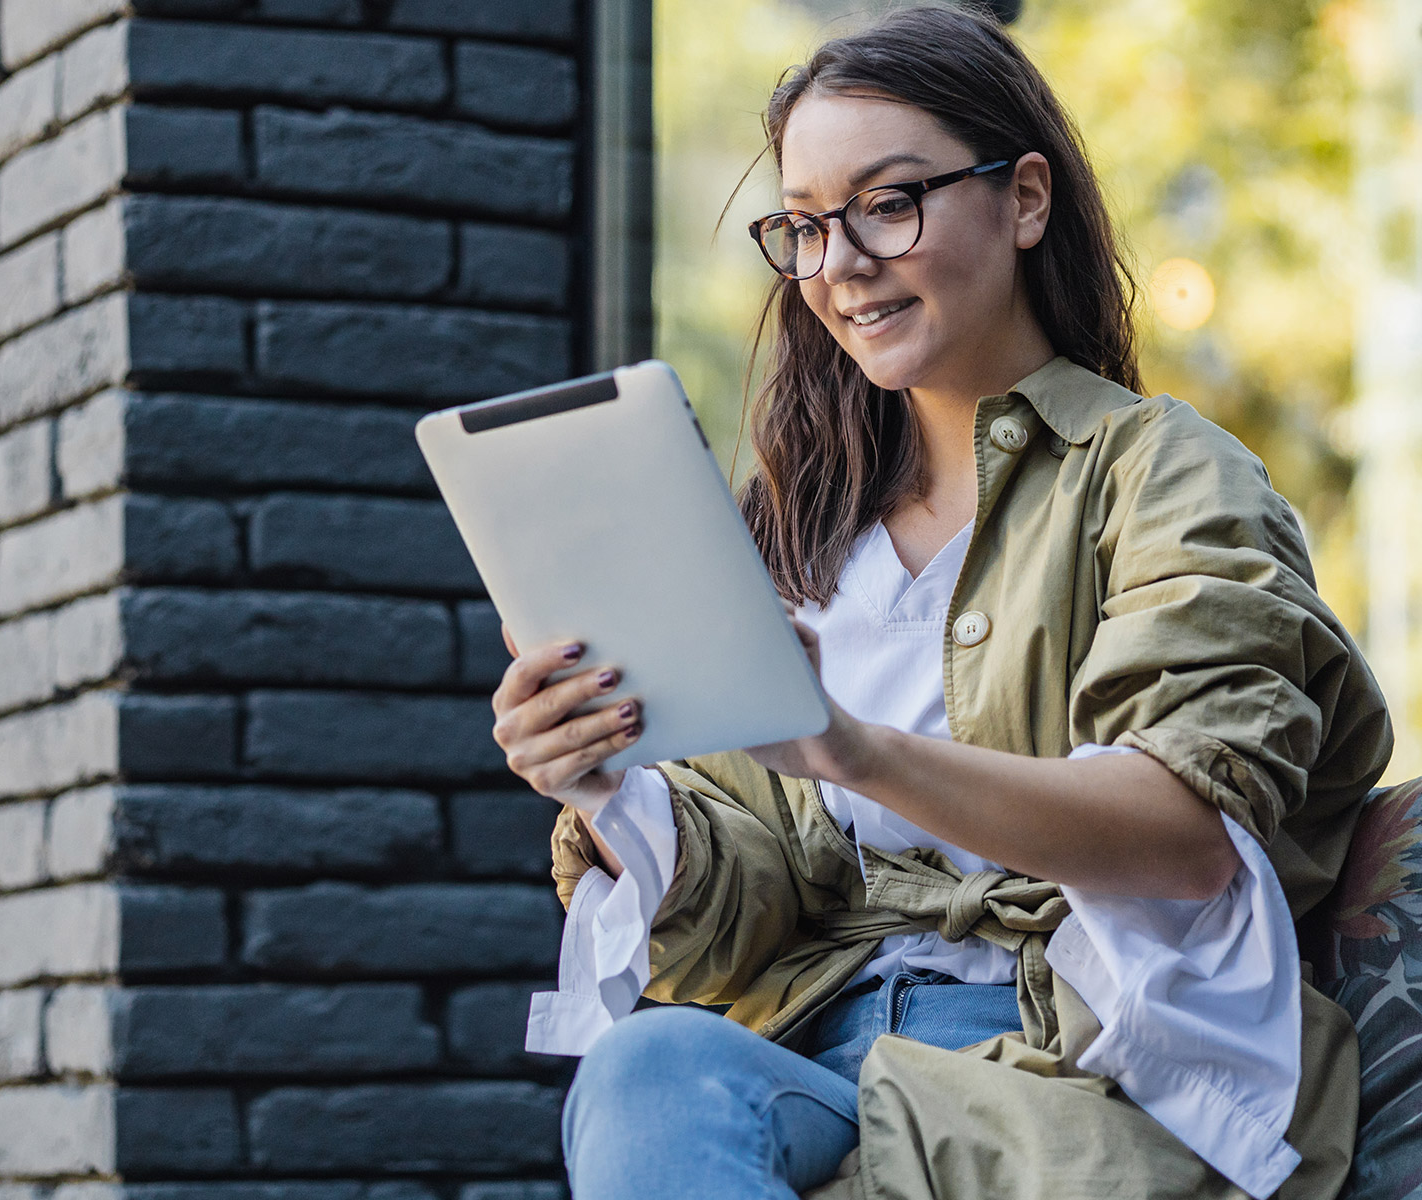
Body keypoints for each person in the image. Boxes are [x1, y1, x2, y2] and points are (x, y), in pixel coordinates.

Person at [489, 7, 1392, 1200]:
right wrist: (603, 783)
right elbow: (735, 935)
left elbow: (1182, 832)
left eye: (889, 202)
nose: (842, 264)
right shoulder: (791, 528)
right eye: (807, 225)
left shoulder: (1163, 476)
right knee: (650, 1068)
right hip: (820, 1045)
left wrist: (853, 750)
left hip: (1083, 1056)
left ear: (1025, 199)